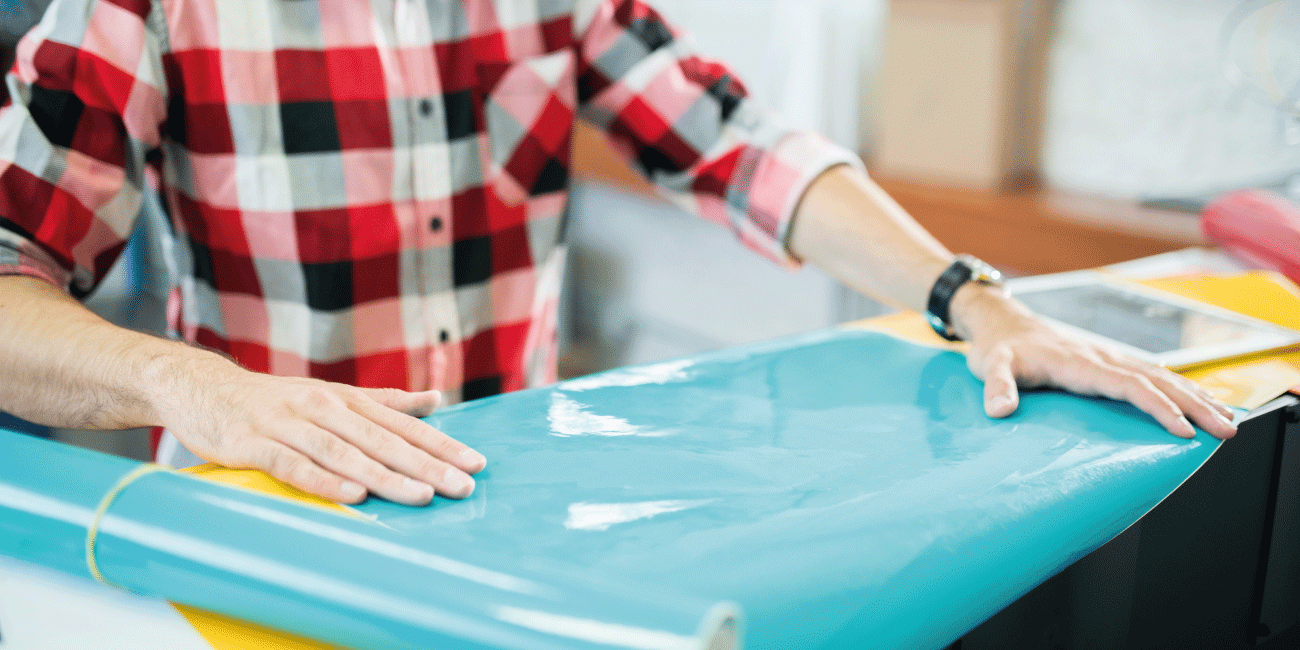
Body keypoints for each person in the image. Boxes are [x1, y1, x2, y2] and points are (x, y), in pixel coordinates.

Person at [0, 0, 1236, 507]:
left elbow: (738, 144)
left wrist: (972, 297)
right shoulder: (136, 9)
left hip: (504, 510)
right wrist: (190, 384)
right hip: (261, 520)